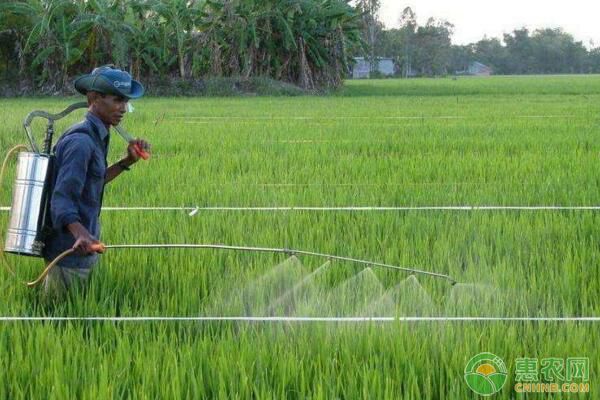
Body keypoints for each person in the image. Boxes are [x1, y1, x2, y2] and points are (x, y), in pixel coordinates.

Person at [42, 65, 150, 298]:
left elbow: (93, 182)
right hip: (68, 250)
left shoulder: (98, 135)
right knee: (63, 322)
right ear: (94, 98)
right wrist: (80, 233)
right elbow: (62, 199)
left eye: (125, 102)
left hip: (84, 245)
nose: (123, 108)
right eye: (117, 100)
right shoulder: (81, 142)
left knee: (81, 315)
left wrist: (126, 162)